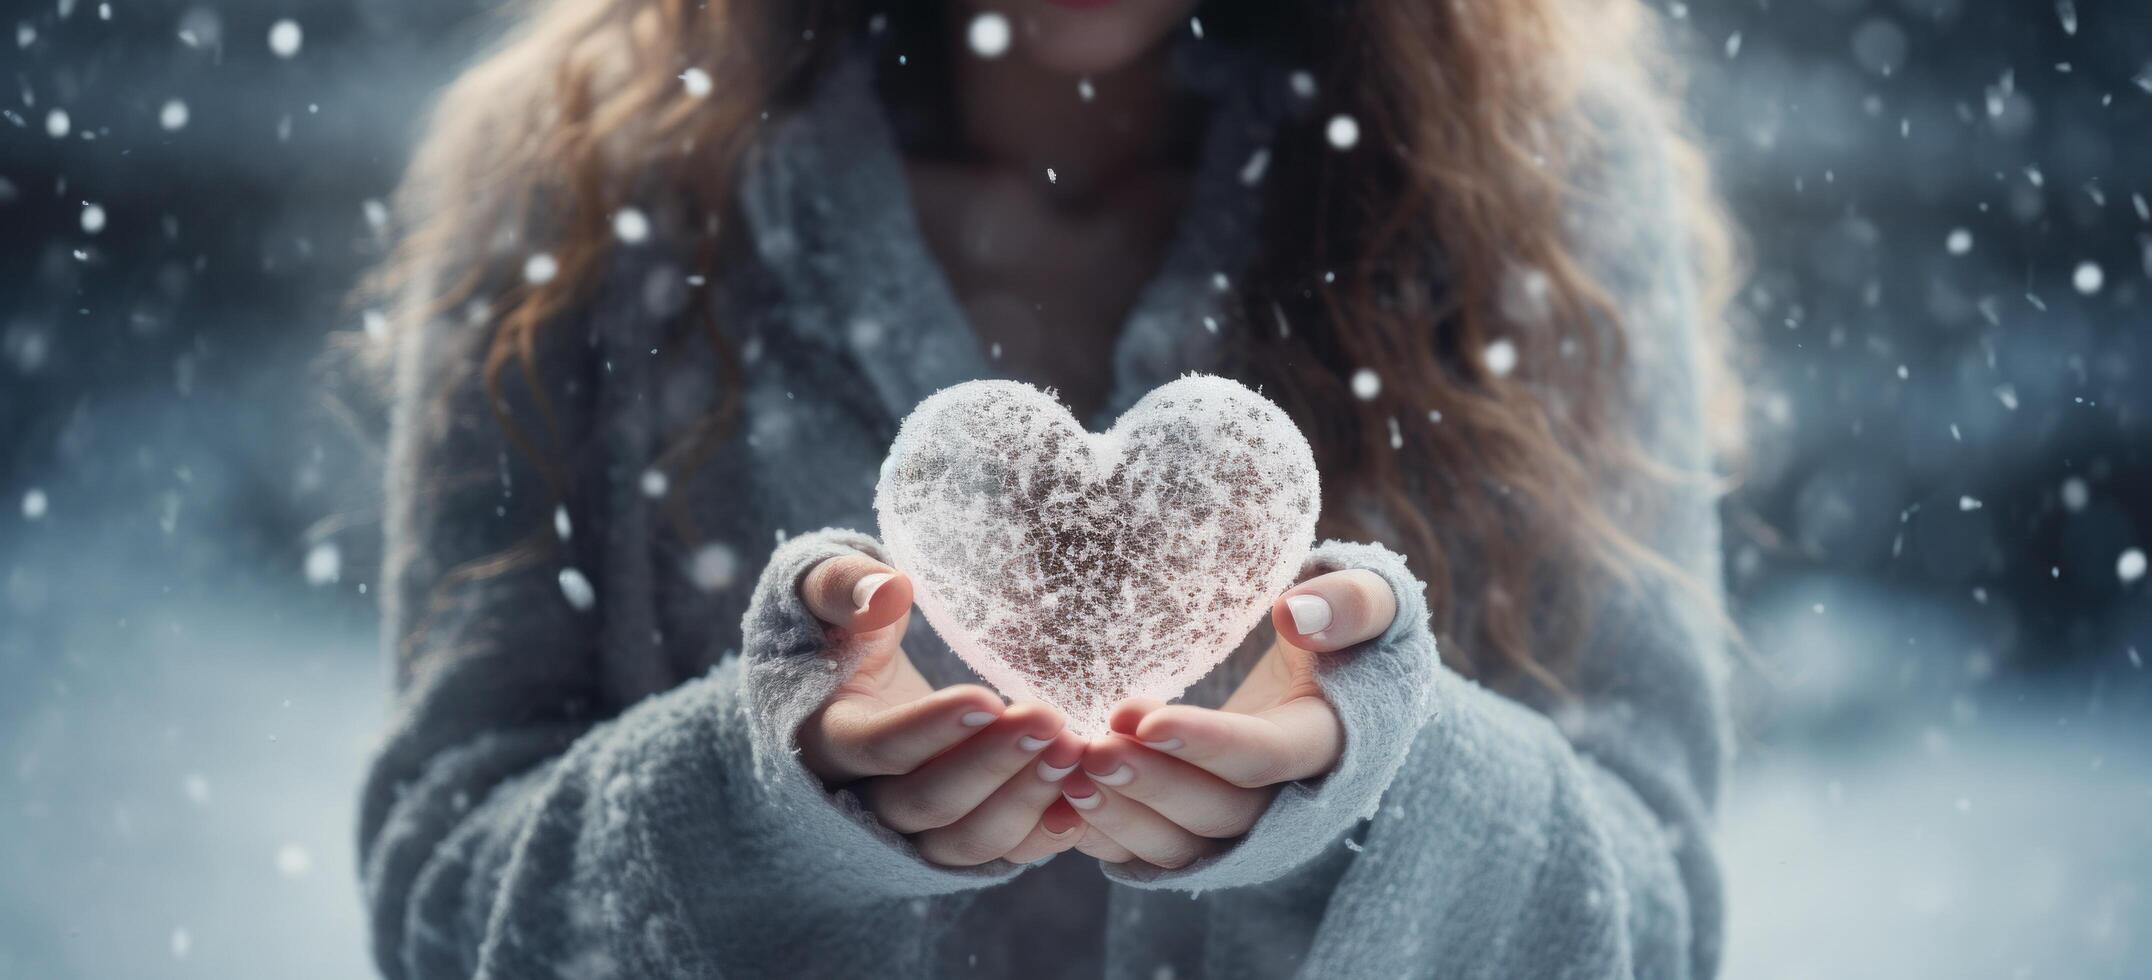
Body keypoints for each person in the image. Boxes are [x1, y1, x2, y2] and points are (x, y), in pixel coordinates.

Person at [359, 1, 1739, 977]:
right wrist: (759, 809)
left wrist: (1379, 789)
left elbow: (1654, 918)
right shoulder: (584, 174)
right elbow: (442, 900)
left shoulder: (1535, 180)